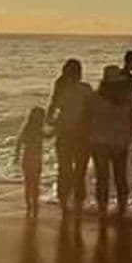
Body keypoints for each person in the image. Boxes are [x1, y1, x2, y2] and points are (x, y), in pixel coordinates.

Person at [88, 65, 132, 218]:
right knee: (121, 179)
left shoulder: (94, 97)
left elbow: (87, 120)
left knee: (102, 179)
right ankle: (122, 210)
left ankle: (102, 211)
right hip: (120, 142)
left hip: (98, 142)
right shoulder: (128, 98)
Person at [46, 58, 93, 212]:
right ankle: (78, 203)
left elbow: (49, 116)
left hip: (65, 133)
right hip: (82, 134)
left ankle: (64, 203)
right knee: (80, 170)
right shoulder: (86, 89)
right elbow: (91, 114)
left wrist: (58, 124)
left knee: (64, 168)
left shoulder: (61, 89)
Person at [14, 106, 48, 218]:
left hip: (26, 158)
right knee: (35, 182)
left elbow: (18, 143)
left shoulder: (27, 129)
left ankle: (29, 203)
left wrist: (16, 156)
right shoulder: (39, 130)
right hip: (36, 159)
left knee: (28, 182)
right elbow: (49, 135)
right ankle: (35, 202)